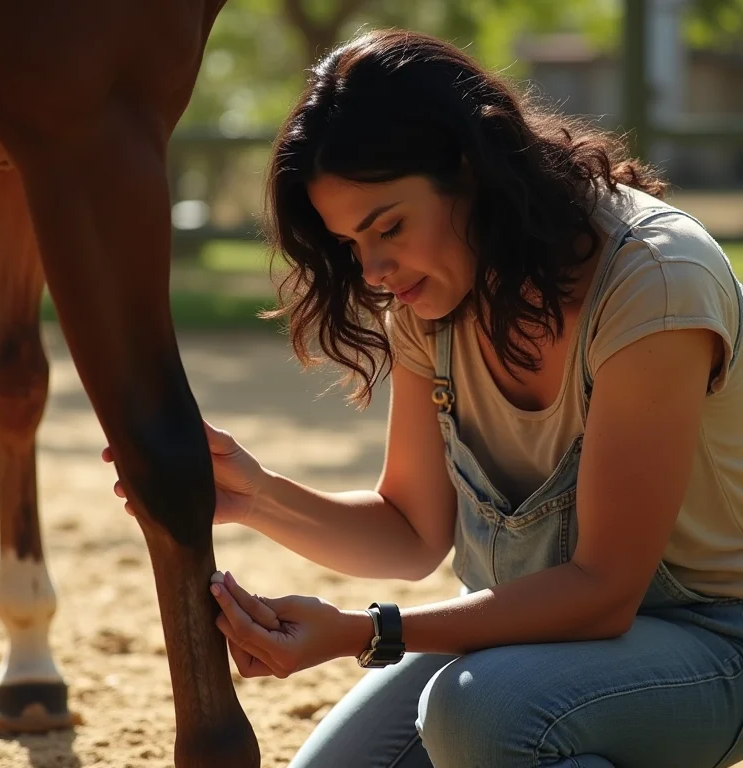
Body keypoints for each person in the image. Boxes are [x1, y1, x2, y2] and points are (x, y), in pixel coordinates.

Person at [104, 28, 743, 768]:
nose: (374, 270)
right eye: (351, 245)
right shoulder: (430, 302)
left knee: (478, 715)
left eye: (390, 227)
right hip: (521, 648)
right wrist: (256, 496)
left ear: (471, 169)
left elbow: (604, 591)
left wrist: (363, 632)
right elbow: (412, 531)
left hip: (709, 645)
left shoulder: (654, 280)